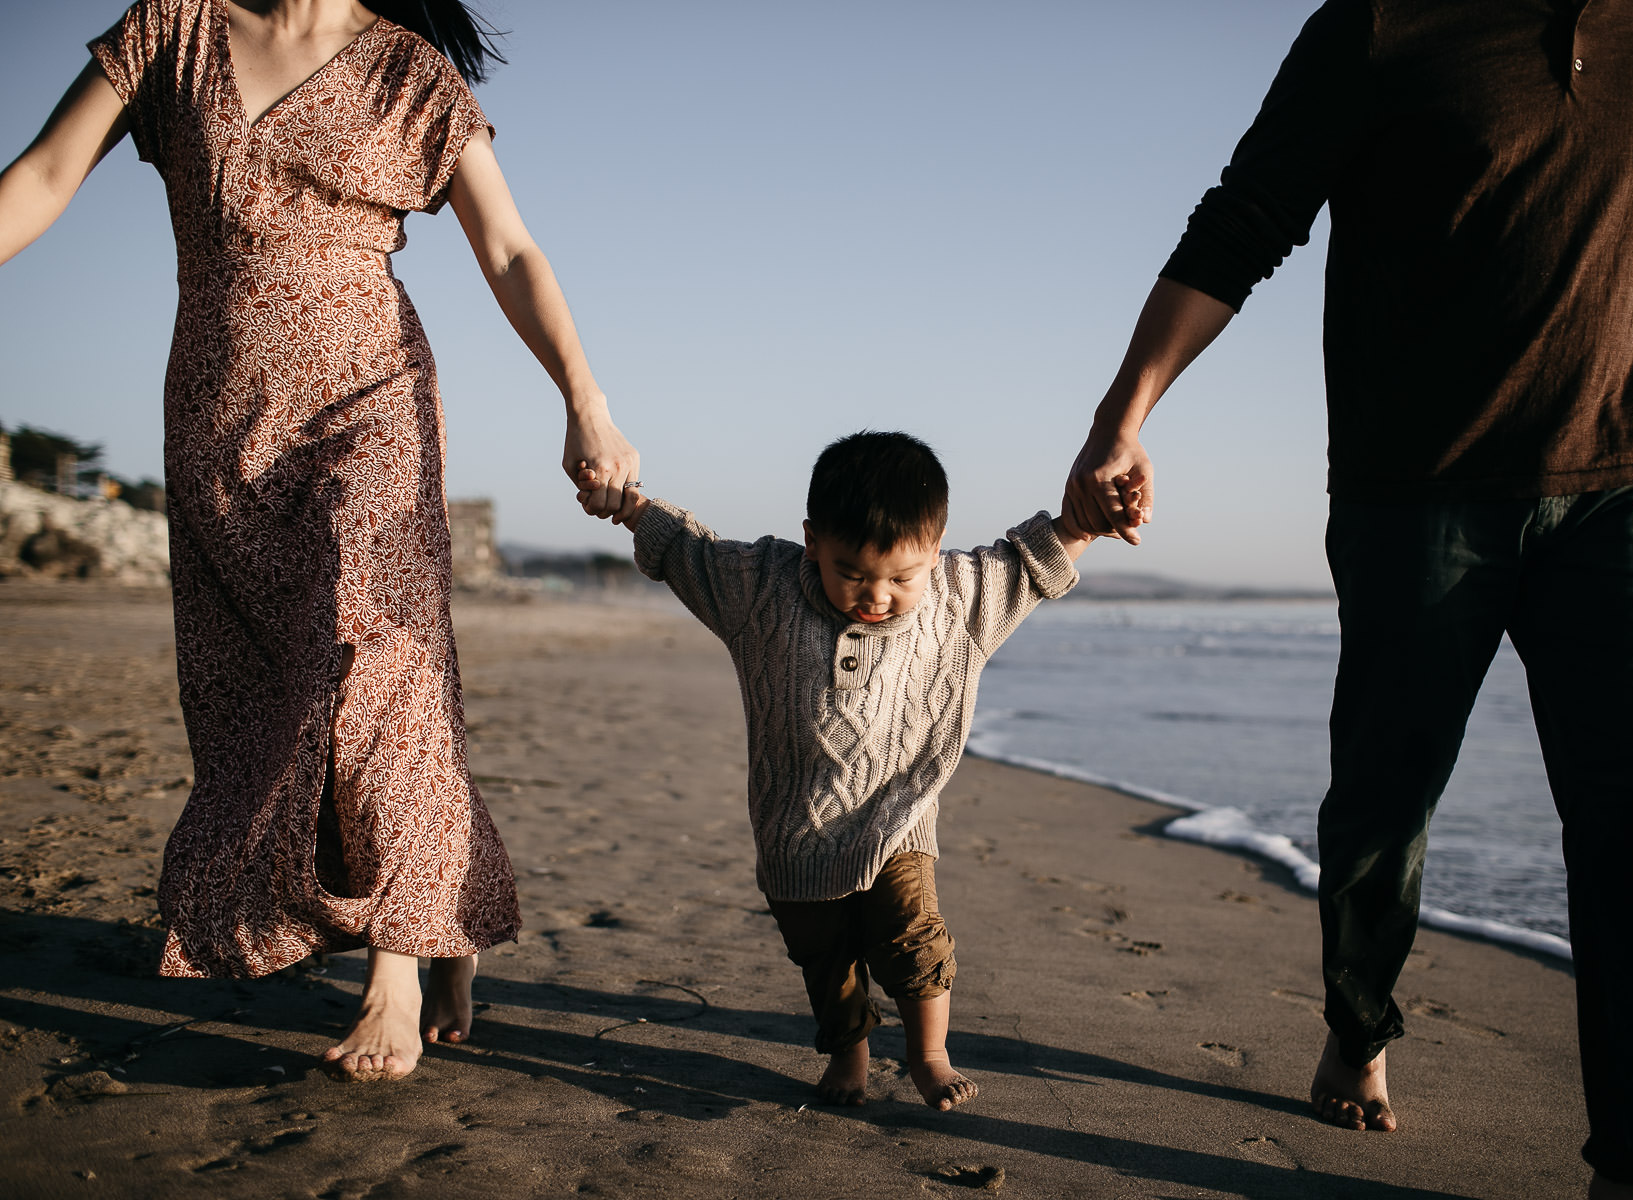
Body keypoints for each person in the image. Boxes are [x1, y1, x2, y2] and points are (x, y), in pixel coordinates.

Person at [1060, 3, 1633, 1198]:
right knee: (1386, 800)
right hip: (1420, 496)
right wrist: (1122, 418)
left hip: (1617, 489)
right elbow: (1244, 220)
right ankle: (1358, 1024)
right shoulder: (1378, 22)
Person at [0, 0, 640, 1081]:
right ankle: (445, 914)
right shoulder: (173, 27)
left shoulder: (410, 71)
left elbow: (510, 247)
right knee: (283, 694)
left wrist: (586, 400)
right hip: (219, 413)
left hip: (372, 397)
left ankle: (394, 964)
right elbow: (45, 176)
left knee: (380, 653)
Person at [577, 431, 1101, 1109]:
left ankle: (929, 1055)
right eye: (852, 571)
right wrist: (626, 507)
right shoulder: (761, 590)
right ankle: (850, 1056)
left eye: (901, 577)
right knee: (825, 962)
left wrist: (1089, 519)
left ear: (934, 557)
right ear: (813, 540)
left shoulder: (956, 598)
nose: (877, 594)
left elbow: (1031, 562)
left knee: (913, 938)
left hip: (897, 818)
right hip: (795, 828)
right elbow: (688, 549)